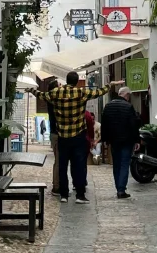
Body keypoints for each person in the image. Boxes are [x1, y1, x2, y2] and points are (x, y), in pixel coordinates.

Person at [30, 72, 120, 204]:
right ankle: (80, 194)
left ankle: (64, 195)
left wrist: (31, 90)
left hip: (62, 136)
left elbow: (41, 95)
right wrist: (110, 85)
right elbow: (98, 92)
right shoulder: (81, 92)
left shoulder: (56, 92)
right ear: (77, 81)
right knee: (78, 165)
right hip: (78, 135)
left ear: (66, 80)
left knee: (62, 166)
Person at [100, 87, 140, 199]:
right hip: (127, 140)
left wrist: (104, 140)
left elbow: (104, 124)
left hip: (113, 140)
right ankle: (121, 190)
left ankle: (118, 187)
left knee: (116, 164)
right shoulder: (128, 106)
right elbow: (133, 125)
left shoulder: (108, 106)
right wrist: (137, 140)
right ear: (126, 95)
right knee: (124, 164)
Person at [44, 79, 61, 194]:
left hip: (54, 133)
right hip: (57, 133)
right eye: (59, 85)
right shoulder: (55, 100)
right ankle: (57, 186)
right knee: (59, 161)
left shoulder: (50, 99)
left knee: (59, 161)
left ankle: (58, 185)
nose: (62, 87)